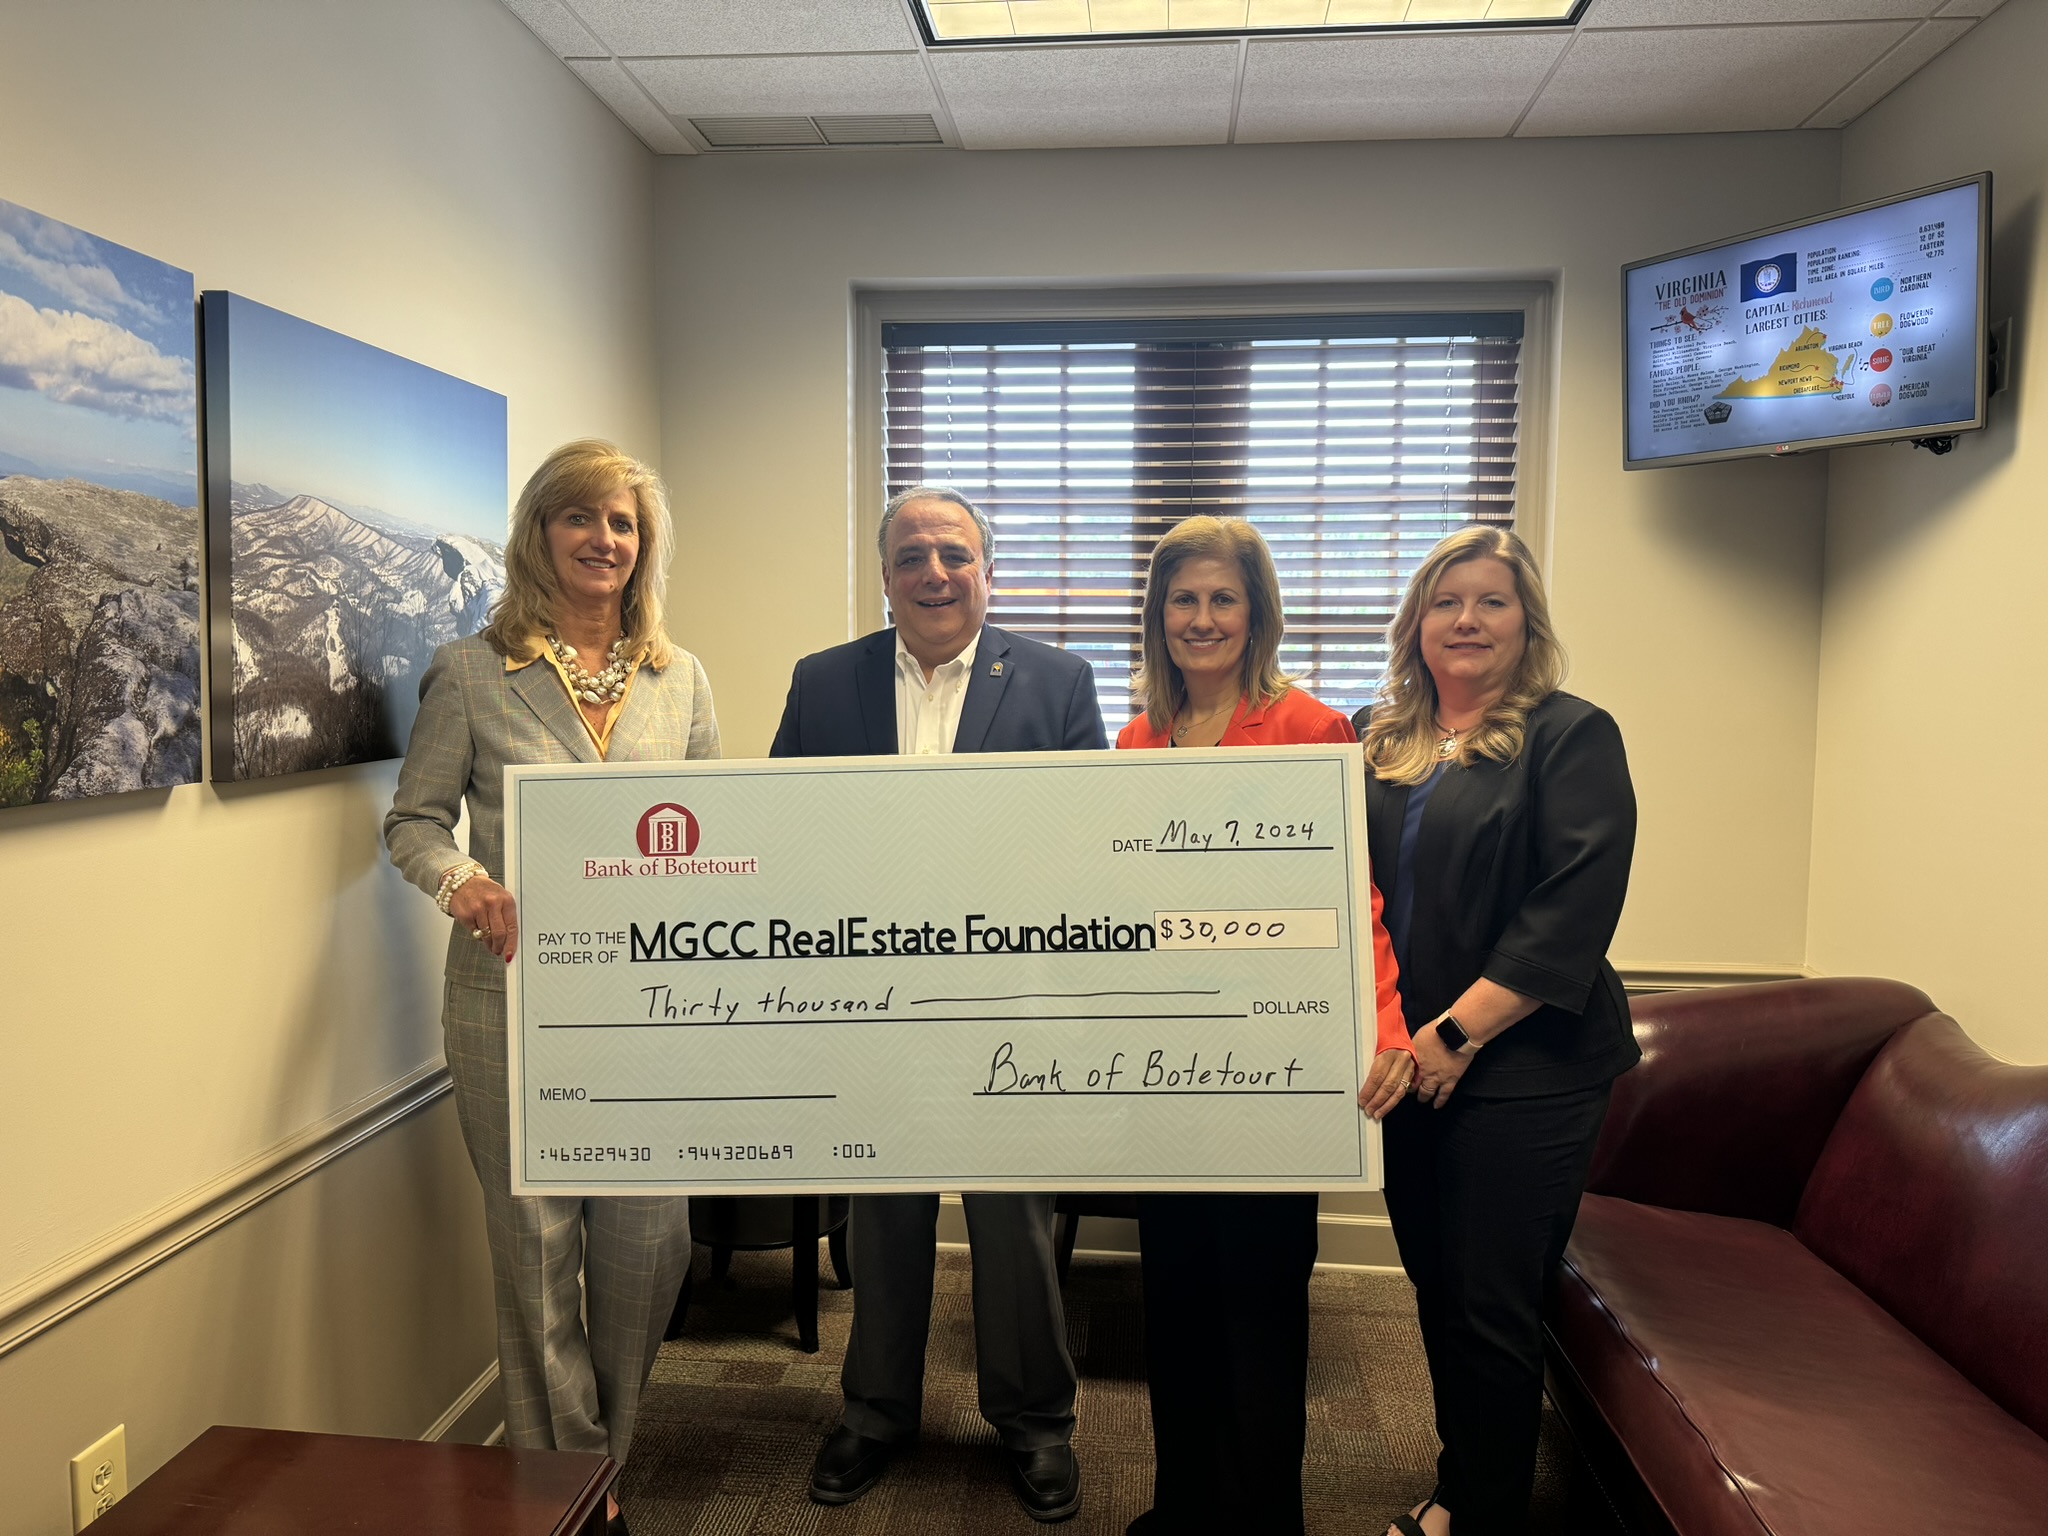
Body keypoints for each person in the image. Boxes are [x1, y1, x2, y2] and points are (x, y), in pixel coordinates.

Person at [385, 440, 719, 1536]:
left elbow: (719, 837)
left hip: (651, 1015)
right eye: (580, 519)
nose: (603, 540)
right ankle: (568, 1494)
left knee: (649, 1246)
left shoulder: (681, 680)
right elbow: (414, 821)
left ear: (643, 546)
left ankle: (604, 1456)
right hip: (510, 1004)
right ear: (540, 535)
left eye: (621, 524)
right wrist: (463, 881)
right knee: (533, 1260)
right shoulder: (474, 670)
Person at [774, 485, 1106, 1522]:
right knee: (884, 1218)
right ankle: (875, 1412)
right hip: (876, 1005)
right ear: (883, 575)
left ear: (984, 570)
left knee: (1012, 1226)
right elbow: (784, 830)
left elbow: (1092, 836)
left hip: (1009, 1003)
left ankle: (1035, 1424)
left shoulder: (1054, 680)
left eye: (953, 554)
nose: (933, 573)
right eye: (911, 555)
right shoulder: (823, 683)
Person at [1116, 515, 1414, 1536]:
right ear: (1158, 616)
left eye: (1221, 599)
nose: (1201, 619)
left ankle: (1259, 1520)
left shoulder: (1310, 728)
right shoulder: (1135, 738)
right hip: (1165, 1068)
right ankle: (1181, 1506)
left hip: (1269, 1061)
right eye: (1182, 600)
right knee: (1177, 1302)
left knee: (1256, 1310)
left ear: (1256, 613)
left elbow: (1353, 896)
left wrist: (1385, 1026)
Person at [1354, 527, 1637, 1536]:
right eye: (1445, 602)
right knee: (1437, 1290)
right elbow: (1349, 898)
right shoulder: (1376, 741)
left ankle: (1475, 1513)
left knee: (1489, 1304)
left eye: (1491, 603)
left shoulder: (1568, 734)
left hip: (1526, 1069)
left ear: (1527, 626)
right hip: (1408, 1065)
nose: (1466, 621)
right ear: (1414, 624)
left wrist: (1454, 1034)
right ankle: (1461, 1481)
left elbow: (1570, 906)